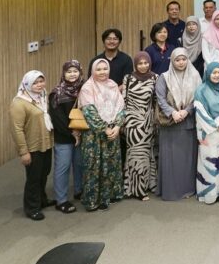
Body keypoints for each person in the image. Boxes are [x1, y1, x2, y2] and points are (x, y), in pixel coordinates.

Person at [78, 59, 126, 211]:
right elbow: (89, 112)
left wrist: (118, 126)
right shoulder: (87, 88)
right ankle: (92, 200)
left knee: (111, 165)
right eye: (98, 69)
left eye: (105, 68)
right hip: (94, 136)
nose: (102, 72)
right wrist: (105, 128)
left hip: (113, 132)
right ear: (93, 71)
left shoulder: (112, 85)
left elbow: (121, 108)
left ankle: (108, 196)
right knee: (93, 166)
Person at [156, 48, 202, 201]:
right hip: (170, 123)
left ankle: (187, 189)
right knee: (171, 158)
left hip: (188, 122)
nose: (181, 62)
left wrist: (187, 111)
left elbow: (199, 96)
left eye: (184, 59)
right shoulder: (164, 77)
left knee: (186, 159)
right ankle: (171, 191)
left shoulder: (195, 75)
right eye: (177, 60)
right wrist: (173, 112)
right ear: (172, 61)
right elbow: (160, 98)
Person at [10, 71, 55, 220]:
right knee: (34, 178)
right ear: (27, 84)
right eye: (35, 83)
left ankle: (42, 199)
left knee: (44, 173)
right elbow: (17, 129)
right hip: (32, 146)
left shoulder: (42, 96)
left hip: (46, 143)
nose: (39, 85)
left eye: (41, 81)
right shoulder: (19, 102)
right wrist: (24, 152)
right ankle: (32, 207)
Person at [194, 62, 219, 204]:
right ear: (208, 73)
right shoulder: (201, 90)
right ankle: (210, 194)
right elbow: (200, 113)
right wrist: (216, 126)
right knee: (210, 163)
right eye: (214, 72)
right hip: (209, 133)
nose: (217, 75)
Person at [48, 60, 84, 214]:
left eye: (75, 71)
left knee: (80, 165)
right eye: (69, 71)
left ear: (80, 72)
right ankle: (61, 200)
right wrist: (72, 133)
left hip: (82, 133)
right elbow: (58, 119)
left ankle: (79, 191)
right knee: (63, 168)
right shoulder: (56, 93)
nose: (72, 74)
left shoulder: (85, 88)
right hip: (64, 137)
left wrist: (79, 133)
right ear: (63, 73)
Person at [121, 52, 158, 201]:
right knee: (136, 154)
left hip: (147, 121)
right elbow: (123, 100)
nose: (143, 66)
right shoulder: (128, 78)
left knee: (146, 154)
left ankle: (148, 184)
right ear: (135, 65)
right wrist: (123, 121)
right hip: (132, 121)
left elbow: (156, 101)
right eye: (140, 63)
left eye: (146, 63)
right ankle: (137, 189)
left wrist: (154, 121)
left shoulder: (155, 78)